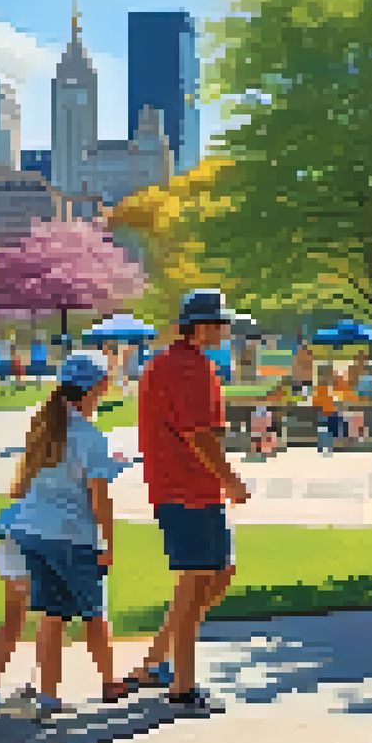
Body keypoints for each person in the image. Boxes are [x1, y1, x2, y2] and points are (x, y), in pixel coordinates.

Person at [117, 289, 249, 717]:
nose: (228, 330)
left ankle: (156, 663)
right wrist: (231, 480)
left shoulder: (169, 362)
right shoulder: (190, 368)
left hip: (183, 487)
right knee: (196, 587)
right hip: (188, 489)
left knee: (218, 575)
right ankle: (183, 687)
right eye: (223, 323)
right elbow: (200, 436)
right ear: (205, 327)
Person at [0, 351, 129, 719]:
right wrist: (108, 544)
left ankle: (49, 695)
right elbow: (99, 498)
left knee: (51, 613)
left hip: (33, 532)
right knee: (94, 613)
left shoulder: (45, 426)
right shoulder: (91, 436)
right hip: (72, 535)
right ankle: (110, 682)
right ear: (99, 387)